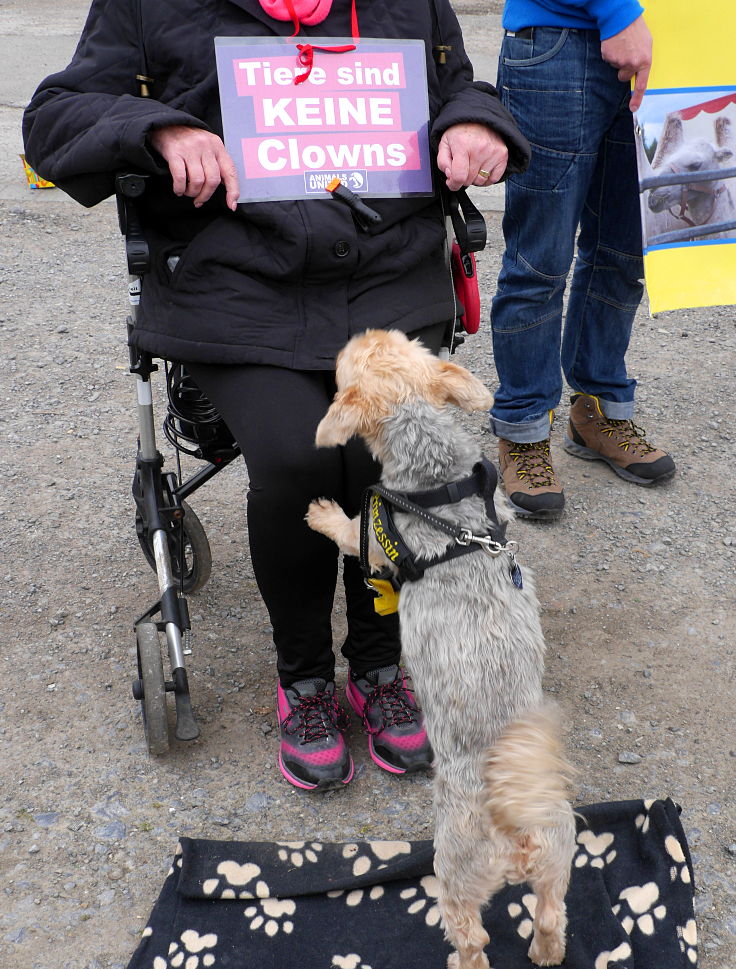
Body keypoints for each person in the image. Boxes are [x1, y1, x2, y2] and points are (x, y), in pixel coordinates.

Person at [24, 0, 530, 791]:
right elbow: (54, 118)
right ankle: (304, 679)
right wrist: (158, 128)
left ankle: (378, 662)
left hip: (387, 276)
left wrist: (473, 126)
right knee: (302, 455)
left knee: (394, 444)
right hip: (235, 282)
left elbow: (459, 88)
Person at [489, 0, 676, 521]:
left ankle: (597, 411)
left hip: (675, 39)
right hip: (561, 38)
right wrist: (616, 12)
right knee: (539, 260)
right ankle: (523, 429)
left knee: (625, 253)